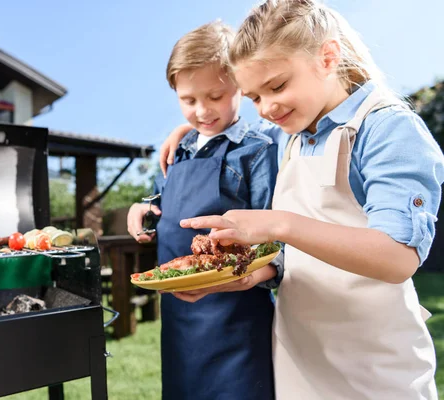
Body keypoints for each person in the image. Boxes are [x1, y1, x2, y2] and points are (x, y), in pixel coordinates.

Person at [160, 1, 444, 399]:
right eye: (255, 96)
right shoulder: (288, 135)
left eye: (277, 86)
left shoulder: (386, 129)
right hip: (298, 358)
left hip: (373, 364)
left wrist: (279, 224)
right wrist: (239, 278)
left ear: (328, 57)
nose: (267, 108)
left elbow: (397, 258)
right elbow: (295, 257)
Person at [126, 21, 279, 400]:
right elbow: (164, 201)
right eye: (188, 100)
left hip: (236, 317)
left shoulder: (257, 151)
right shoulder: (178, 150)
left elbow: (274, 236)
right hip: (180, 320)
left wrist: (248, 276)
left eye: (215, 96)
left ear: (240, 86)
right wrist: (143, 208)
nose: (202, 111)